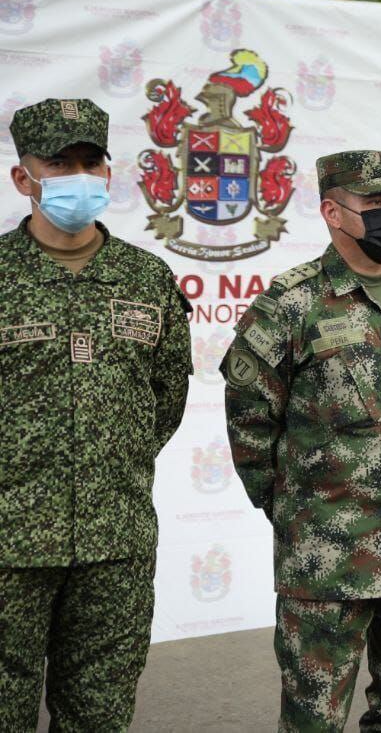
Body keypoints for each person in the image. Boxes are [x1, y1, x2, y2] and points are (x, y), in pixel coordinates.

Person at [221, 150, 381, 732]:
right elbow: (250, 420)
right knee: (314, 720)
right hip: (328, 555)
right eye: (375, 202)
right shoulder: (292, 304)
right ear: (332, 212)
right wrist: (298, 510)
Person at [0, 98, 192, 731]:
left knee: (99, 714)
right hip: (9, 543)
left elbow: (164, 400)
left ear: (108, 173)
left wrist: (111, 461)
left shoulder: (146, 279)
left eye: (90, 161)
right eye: (59, 163)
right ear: (24, 178)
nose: (78, 175)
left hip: (117, 542)